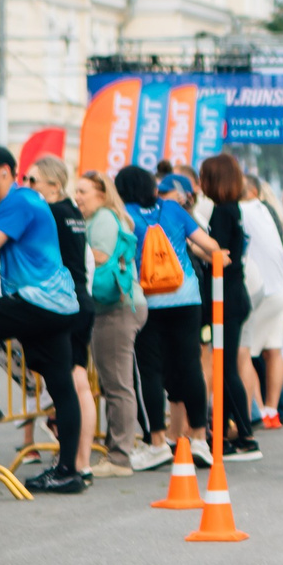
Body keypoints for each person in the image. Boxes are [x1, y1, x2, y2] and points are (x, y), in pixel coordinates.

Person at [0, 144, 86, 495]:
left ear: (3, 170)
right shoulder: (21, 204)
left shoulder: (19, 200)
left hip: (38, 302)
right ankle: (68, 472)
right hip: (58, 304)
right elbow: (2, 258)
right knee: (61, 386)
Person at [120, 165, 221, 464]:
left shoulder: (124, 214)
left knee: (150, 371)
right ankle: (200, 439)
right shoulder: (174, 210)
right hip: (187, 297)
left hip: (147, 301)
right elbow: (210, 246)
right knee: (190, 366)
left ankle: (157, 444)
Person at [27, 154, 99, 480]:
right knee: (80, 382)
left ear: (53, 185)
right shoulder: (72, 211)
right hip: (82, 298)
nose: (27, 186)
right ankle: (81, 460)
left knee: (73, 385)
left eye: (33, 181)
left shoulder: (52, 213)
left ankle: (75, 462)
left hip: (66, 302)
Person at [75, 170, 145, 474]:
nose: (77, 198)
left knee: (117, 384)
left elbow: (99, 256)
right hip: (119, 306)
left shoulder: (103, 218)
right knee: (114, 381)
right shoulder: (107, 216)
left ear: (102, 195)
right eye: (76, 192)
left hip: (116, 308)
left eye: (83, 192)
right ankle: (117, 447)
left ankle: (120, 457)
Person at [194, 153, 261, 460]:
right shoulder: (231, 209)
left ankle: (245, 435)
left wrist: (191, 244)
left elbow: (219, 255)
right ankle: (223, 434)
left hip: (227, 299)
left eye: (204, 176)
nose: (200, 182)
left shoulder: (222, 212)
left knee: (225, 367)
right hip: (234, 296)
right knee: (223, 366)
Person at [241, 176, 283, 421]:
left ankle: (258, 409)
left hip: (262, 291)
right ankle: (272, 411)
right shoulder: (266, 209)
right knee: (274, 351)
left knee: (246, 354)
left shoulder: (240, 209)